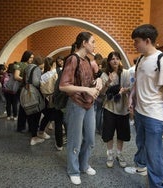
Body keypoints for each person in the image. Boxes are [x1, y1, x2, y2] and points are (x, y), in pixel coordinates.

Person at [124, 24, 163, 188]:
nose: (134, 45)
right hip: (140, 112)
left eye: (136, 41)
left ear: (147, 41)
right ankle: (140, 167)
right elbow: (137, 82)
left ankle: (157, 185)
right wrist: (131, 98)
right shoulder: (141, 59)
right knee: (141, 143)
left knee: (154, 153)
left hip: (154, 115)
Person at [59, 32, 102, 185]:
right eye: (93, 42)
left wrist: (97, 82)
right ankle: (73, 170)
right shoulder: (73, 58)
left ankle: (83, 164)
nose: (94, 45)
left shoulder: (88, 60)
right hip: (76, 104)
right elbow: (63, 86)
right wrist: (87, 90)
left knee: (90, 139)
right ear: (84, 43)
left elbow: (89, 81)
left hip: (88, 104)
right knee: (74, 140)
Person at [100, 51, 131, 168]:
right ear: (109, 61)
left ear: (120, 60)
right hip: (109, 107)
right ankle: (110, 154)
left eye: (117, 58)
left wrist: (124, 90)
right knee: (109, 132)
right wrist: (108, 82)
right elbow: (102, 93)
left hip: (122, 107)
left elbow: (130, 88)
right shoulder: (104, 75)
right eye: (112, 59)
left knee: (122, 132)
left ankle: (119, 153)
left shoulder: (126, 73)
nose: (115, 61)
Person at [39, 57, 64, 150]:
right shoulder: (56, 73)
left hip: (47, 99)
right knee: (58, 121)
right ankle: (59, 144)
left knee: (48, 116)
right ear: (54, 64)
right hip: (56, 99)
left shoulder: (43, 76)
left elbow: (41, 88)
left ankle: (41, 131)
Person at [14, 50, 34, 132]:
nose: (31, 59)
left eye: (32, 58)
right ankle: (21, 127)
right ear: (26, 57)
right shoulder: (19, 64)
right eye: (30, 57)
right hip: (22, 89)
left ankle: (27, 126)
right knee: (23, 108)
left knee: (28, 107)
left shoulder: (31, 65)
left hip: (28, 88)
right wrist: (25, 80)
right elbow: (16, 76)